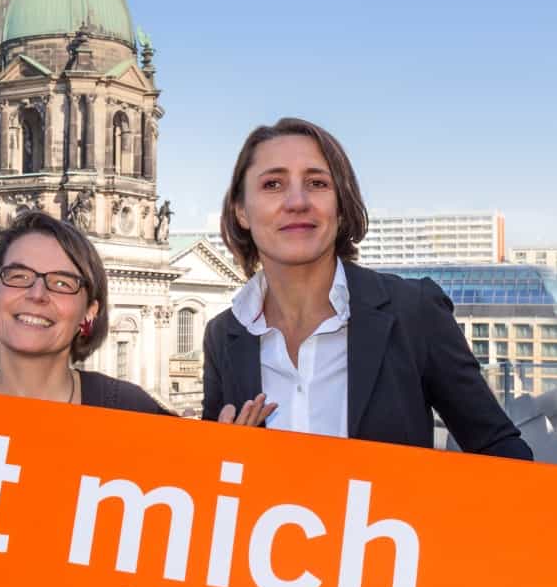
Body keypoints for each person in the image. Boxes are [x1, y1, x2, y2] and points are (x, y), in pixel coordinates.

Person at [202, 117, 531, 459]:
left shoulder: (413, 311)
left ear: (341, 207)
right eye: (272, 184)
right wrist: (224, 454)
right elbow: (208, 485)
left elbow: (499, 449)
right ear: (241, 210)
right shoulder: (223, 336)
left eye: (317, 183)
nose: (297, 201)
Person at [0, 211, 163, 413]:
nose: (36, 294)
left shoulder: (133, 411)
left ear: (89, 312)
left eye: (62, 283)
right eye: (18, 276)